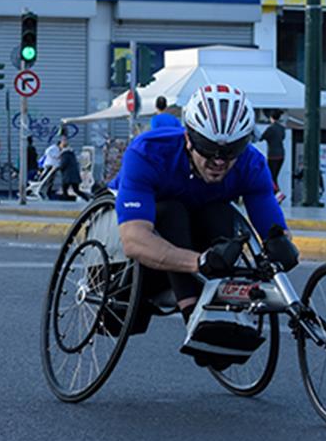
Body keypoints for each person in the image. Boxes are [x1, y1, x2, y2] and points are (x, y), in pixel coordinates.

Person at [112, 84, 299, 368]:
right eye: (209, 149)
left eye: (231, 150)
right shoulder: (149, 152)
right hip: (148, 240)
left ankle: (222, 313)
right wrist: (198, 262)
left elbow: (273, 228)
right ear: (189, 138)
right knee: (172, 210)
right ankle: (193, 317)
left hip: (201, 228)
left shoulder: (251, 164)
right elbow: (133, 238)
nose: (219, 161)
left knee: (219, 211)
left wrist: (280, 247)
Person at [260, 109, 286, 202]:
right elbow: (282, 138)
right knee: (274, 176)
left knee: (269, 175)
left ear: (271, 118)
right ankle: (275, 195)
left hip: (272, 155)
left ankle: (278, 193)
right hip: (281, 154)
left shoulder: (270, 128)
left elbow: (261, 138)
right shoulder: (282, 128)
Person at [58, 135, 88, 200]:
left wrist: (59, 168)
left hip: (68, 176)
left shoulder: (65, 154)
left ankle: (66, 202)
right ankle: (87, 198)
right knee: (76, 190)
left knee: (65, 190)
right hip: (73, 175)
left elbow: (63, 164)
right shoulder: (71, 153)